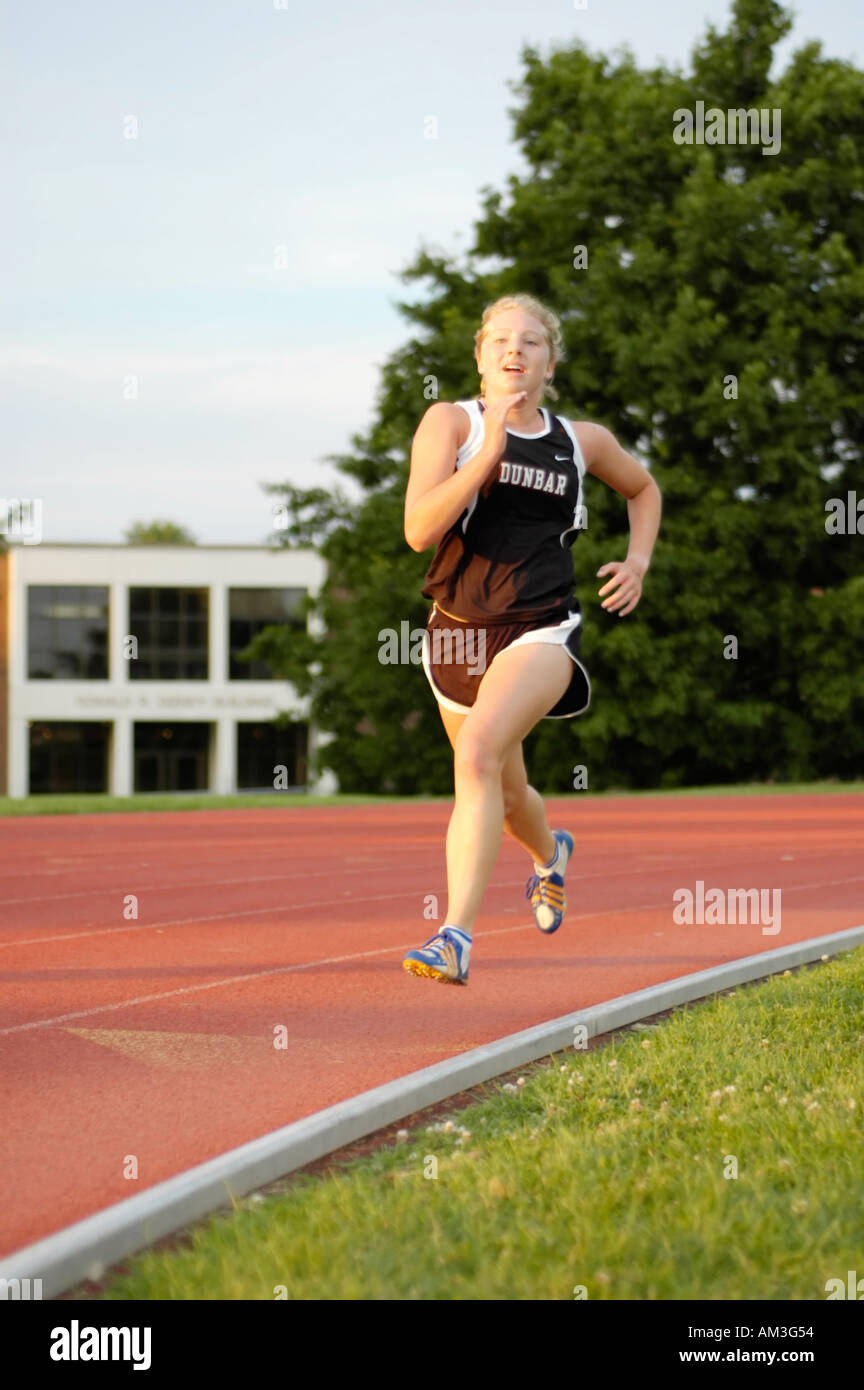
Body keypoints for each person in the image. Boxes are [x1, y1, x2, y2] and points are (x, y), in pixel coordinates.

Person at [402, 293, 661, 985]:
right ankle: (552, 855)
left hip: (541, 625)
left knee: (480, 754)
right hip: (455, 635)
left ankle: (454, 937)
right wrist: (485, 455)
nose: (514, 350)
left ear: (550, 362)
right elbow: (419, 530)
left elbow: (643, 490)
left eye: (531, 342)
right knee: (506, 793)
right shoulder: (449, 422)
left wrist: (637, 561)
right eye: (500, 341)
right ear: (480, 358)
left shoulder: (582, 441)